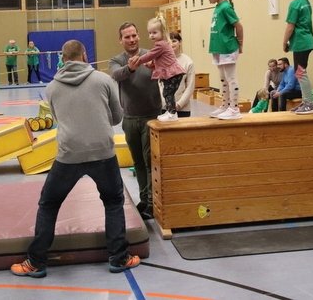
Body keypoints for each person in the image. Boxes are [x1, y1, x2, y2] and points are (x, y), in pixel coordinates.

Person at [10, 39, 139, 278]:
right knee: (113, 203)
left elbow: (58, 118)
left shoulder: (52, 88)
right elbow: (116, 117)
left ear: (63, 58)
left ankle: (36, 262)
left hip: (69, 155)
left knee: (49, 204)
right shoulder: (103, 80)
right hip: (102, 152)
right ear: (84, 55)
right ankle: (119, 258)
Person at [109, 22, 161, 220]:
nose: (131, 40)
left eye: (134, 35)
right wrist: (130, 68)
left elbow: (168, 71)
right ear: (120, 40)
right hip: (130, 119)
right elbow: (116, 74)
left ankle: (152, 202)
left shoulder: (151, 54)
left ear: (139, 36)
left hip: (152, 118)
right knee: (138, 162)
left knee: (150, 162)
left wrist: (157, 67)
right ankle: (144, 199)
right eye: (127, 37)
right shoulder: (117, 60)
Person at [129, 15, 185, 122]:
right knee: (167, 93)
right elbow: (159, 60)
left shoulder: (161, 45)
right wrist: (151, 65)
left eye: (154, 33)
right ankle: (170, 111)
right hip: (172, 73)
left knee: (168, 93)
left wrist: (139, 60)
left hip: (174, 73)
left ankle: (172, 113)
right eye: (150, 33)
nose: (151, 35)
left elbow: (150, 55)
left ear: (162, 32)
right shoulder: (161, 44)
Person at [205, 0, 244, 120]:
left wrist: (240, 43)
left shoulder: (226, 7)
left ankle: (234, 108)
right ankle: (225, 105)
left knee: (231, 78)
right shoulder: (218, 7)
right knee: (223, 79)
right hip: (218, 48)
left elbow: (238, 26)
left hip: (227, 47)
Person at [283, 0, 313, 115]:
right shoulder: (305, 2)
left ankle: (309, 103)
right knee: (300, 72)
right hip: (306, 40)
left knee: (300, 72)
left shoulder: (295, 4)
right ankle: (306, 101)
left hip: (301, 42)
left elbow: (290, 26)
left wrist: (284, 42)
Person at [161, 32, 195, 117]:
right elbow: (160, 85)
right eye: (168, 42)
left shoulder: (188, 62)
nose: (171, 44)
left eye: (174, 41)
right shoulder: (161, 61)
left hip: (182, 109)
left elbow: (190, 86)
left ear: (180, 42)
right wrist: (166, 103)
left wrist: (179, 104)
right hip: (165, 108)